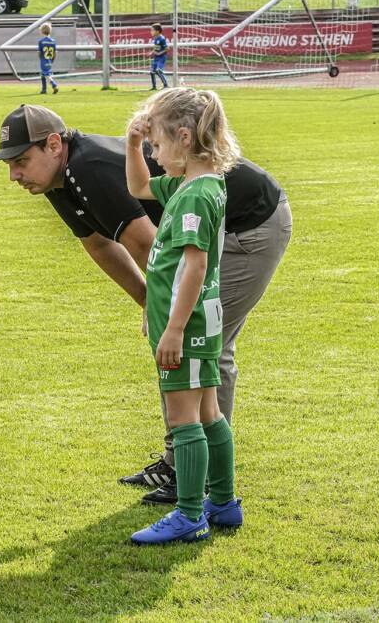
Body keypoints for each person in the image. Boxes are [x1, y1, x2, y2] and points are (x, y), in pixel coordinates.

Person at [0, 104, 291, 506]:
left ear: (54, 145)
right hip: (204, 239)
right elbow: (98, 244)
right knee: (183, 348)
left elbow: (148, 244)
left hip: (249, 224)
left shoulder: (88, 168)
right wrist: (147, 297)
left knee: (200, 347)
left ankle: (199, 477)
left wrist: (167, 310)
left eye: (21, 161)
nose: (14, 175)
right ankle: (182, 463)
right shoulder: (59, 180)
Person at [124, 88, 243, 544]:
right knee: (209, 413)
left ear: (185, 137)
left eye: (156, 145)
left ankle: (191, 514)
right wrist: (133, 144)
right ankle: (224, 503)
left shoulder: (195, 196)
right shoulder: (194, 185)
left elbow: (194, 265)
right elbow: (138, 188)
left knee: (184, 419)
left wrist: (173, 328)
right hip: (196, 322)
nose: (153, 156)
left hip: (188, 327)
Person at [38, 23, 59, 95]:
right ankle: (44, 90)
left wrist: (41, 59)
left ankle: (54, 85)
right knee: (43, 74)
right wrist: (52, 60)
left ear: (42, 31)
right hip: (50, 60)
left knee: (47, 75)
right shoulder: (53, 41)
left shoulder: (41, 41)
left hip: (44, 60)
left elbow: (39, 53)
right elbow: (55, 53)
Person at [150, 23, 170, 90]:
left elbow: (167, 48)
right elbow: (157, 47)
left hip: (161, 58)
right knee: (152, 72)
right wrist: (152, 52)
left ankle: (166, 85)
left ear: (157, 31)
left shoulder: (162, 38)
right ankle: (154, 87)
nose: (151, 32)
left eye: (152, 30)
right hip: (156, 58)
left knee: (158, 71)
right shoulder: (156, 38)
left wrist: (159, 53)